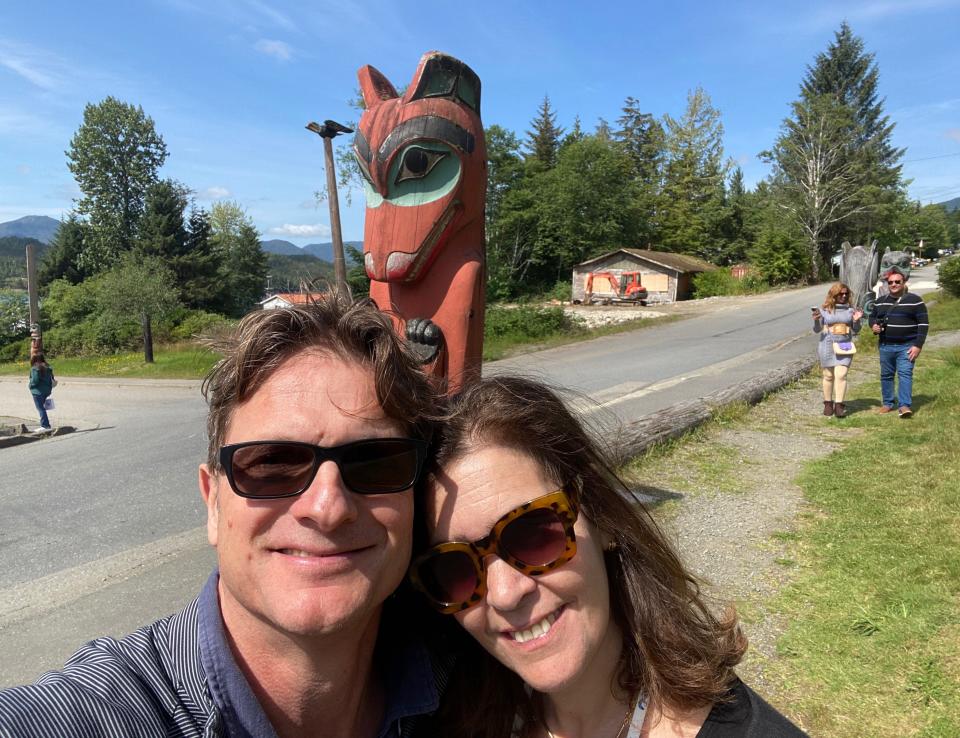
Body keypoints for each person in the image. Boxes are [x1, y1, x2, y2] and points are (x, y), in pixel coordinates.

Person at [0, 296, 447, 738]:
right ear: (213, 502)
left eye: (375, 463)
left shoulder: (477, 683)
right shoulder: (107, 712)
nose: (327, 508)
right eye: (271, 464)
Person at [409, 375, 808, 737]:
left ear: (600, 518)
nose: (504, 593)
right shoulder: (458, 722)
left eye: (532, 533)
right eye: (455, 568)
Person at [869, 266, 928, 417]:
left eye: (897, 282)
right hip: (885, 346)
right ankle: (888, 403)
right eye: (890, 282)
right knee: (886, 375)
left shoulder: (915, 301)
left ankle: (904, 406)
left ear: (904, 282)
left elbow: (923, 324)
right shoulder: (880, 302)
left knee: (905, 374)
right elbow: (872, 318)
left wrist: (918, 345)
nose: (894, 284)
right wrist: (873, 326)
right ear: (887, 284)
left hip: (907, 346)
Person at [812, 282, 863, 418]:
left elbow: (856, 330)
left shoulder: (851, 311)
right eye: (841, 294)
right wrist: (817, 320)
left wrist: (857, 321)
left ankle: (839, 405)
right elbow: (817, 329)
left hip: (844, 345)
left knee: (841, 375)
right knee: (828, 376)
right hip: (827, 345)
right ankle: (828, 404)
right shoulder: (824, 310)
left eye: (846, 294)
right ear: (834, 295)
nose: (844, 296)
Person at [27, 353, 55, 432]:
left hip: (37, 392)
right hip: (47, 391)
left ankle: (45, 425)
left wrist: (30, 385)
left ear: (33, 360)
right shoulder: (48, 367)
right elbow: (52, 378)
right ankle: (46, 425)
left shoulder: (35, 368)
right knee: (43, 408)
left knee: (41, 409)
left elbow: (35, 381)